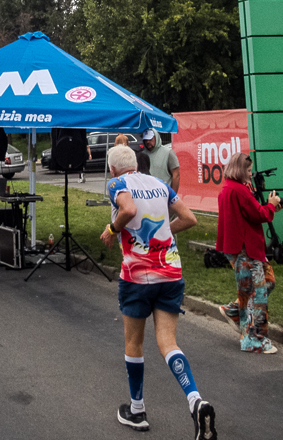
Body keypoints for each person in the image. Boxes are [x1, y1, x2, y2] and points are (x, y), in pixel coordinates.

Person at [100, 144, 215, 439]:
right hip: (170, 273)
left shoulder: (117, 183)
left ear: (113, 169)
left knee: (134, 343)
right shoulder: (160, 184)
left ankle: (137, 410)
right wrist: (163, 233)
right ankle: (195, 400)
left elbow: (129, 209)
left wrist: (112, 230)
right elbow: (190, 218)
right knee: (168, 342)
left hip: (138, 278)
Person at [215, 152, 280, 354]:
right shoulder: (240, 191)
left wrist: (267, 207)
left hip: (238, 248)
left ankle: (234, 311)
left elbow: (249, 214)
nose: (251, 175)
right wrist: (271, 205)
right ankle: (253, 339)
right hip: (247, 249)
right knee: (255, 294)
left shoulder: (228, 189)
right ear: (240, 170)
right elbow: (258, 214)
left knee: (265, 282)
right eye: (249, 171)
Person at [141, 129, 180, 195]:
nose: (147, 142)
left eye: (150, 139)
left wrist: (173, 196)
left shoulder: (168, 153)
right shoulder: (142, 155)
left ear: (156, 137)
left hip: (164, 195)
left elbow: (176, 175)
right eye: (145, 140)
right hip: (147, 196)